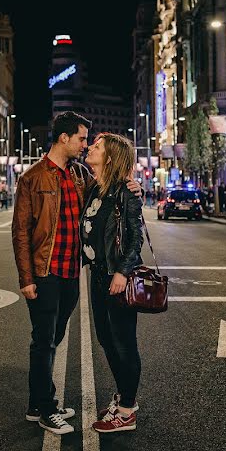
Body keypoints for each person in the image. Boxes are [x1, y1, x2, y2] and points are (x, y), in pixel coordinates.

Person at [11, 111, 140, 436]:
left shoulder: (82, 176)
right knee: (45, 340)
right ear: (64, 138)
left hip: (76, 275)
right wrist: (26, 278)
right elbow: (21, 232)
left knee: (56, 339)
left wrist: (133, 188)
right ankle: (45, 407)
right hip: (47, 272)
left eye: (91, 142)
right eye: (83, 138)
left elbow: (123, 218)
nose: (86, 145)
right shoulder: (33, 178)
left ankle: (39, 403)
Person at [81, 133, 144, 433]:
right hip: (97, 275)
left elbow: (136, 238)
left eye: (97, 147)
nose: (90, 148)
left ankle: (127, 410)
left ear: (109, 158)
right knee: (106, 340)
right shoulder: (93, 188)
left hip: (117, 279)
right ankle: (124, 397)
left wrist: (121, 272)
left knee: (124, 344)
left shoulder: (125, 192)